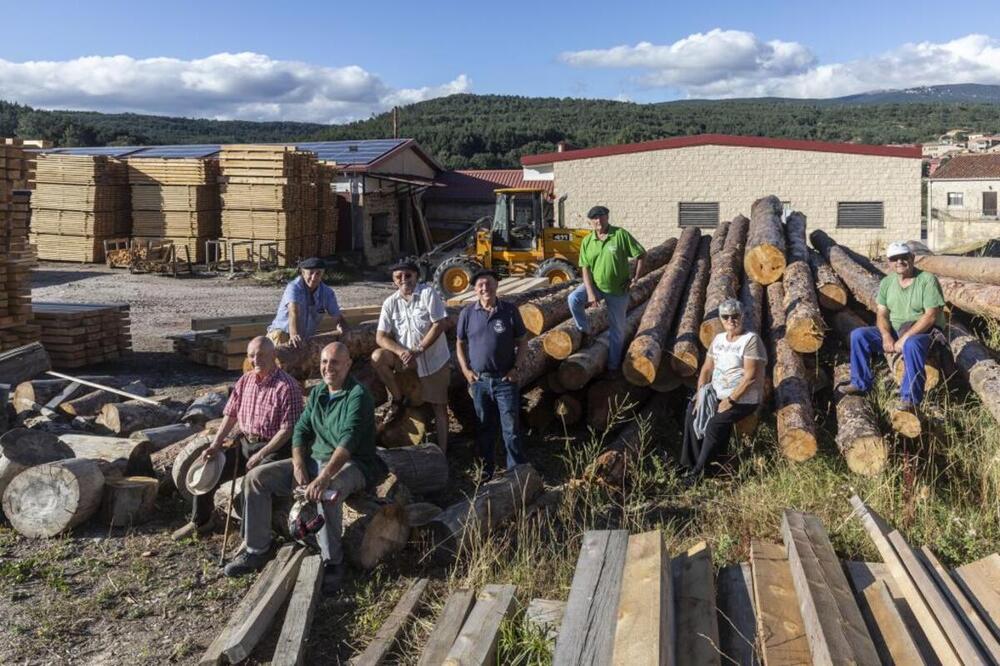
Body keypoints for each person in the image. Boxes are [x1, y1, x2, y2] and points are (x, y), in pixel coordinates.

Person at [224, 342, 386, 596]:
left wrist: (323, 477)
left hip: (353, 464)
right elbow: (300, 430)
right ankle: (257, 549)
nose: (328, 368)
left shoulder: (358, 396)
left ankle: (333, 562)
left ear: (348, 364)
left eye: (334, 362)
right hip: (314, 459)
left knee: (327, 491)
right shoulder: (320, 392)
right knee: (256, 478)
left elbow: (348, 443)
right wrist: (299, 463)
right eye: (324, 362)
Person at [172, 336, 303, 540]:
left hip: (274, 448)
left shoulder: (287, 387)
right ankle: (201, 522)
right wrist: (215, 445)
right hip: (245, 442)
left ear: (274, 355)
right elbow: (231, 414)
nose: (255, 360)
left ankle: (250, 539)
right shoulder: (245, 380)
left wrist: (261, 455)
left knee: (252, 486)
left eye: (261, 355)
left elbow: (287, 431)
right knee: (209, 465)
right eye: (251, 355)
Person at [844, 241, 946, 410]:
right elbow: (882, 313)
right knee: (859, 336)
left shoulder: (927, 280)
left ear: (912, 258)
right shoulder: (887, 283)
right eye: (894, 258)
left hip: (925, 332)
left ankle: (910, 399)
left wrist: (905, 338)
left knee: (912, 344)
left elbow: (930, 316)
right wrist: (886, 336)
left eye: (903, 257)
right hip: (897, 329)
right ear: (889, 262)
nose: (899, 262)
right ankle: (860, 383)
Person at [456, 269, 530, 481]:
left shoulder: (509, 311)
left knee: (510, 427)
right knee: (483, 426)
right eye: (480, 284)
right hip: (479, 381)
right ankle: (486, 470)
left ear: (496, 285)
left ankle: (516, 472)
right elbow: (460, 344)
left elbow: (523, 341)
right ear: (475, 289)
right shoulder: (467, 313)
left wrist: (516, 368)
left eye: (488, 283)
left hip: (505, 380)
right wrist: (465, 370)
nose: (484, 288)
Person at [372, 258, 452, 452]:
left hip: (432, 360)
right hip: (406, 360)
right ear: (393, 280)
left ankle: (442, 451)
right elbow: (380, 337)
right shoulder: (390, 303)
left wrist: (418, 349)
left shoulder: (428, 293)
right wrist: (401, 351)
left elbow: (439, 324)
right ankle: (398, 399)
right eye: (399, 276)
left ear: (417, 276)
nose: (404, 279)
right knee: (377, 357)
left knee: (439, 407)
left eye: (408, 275)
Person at [681, 299, 765, 479]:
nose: (730, 320)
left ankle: (701, 473)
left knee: (715, 424)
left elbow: (750, 377)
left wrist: (731, 400)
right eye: (725, 317)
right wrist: (700, 393)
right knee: (692, 412)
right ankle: (691, 463)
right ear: (721, 319)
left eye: (735, 316)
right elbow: (706, 368)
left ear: (742, 317)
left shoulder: (750, 340)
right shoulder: (718, 339)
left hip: (743, 398)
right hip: (716, 393)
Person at [568, 205, 646, 376]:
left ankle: (613, 367)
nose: (598, 221)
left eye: (602, 217)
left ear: (607, 217)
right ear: (590, 221)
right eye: (595, 218)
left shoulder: (620, 235)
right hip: (596, 285)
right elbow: (585, 270)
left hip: (618, 290)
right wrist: (589, 293)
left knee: (617, 330)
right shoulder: (588, 241)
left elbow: (641, 254)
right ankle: (586, 330)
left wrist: (636, 277)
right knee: (573, 299)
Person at [268, 257, 346, 348]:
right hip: (282, 335)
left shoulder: (327, 292)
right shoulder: (294, 287)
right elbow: (293, 311)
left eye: (318, 273)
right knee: (281, 338)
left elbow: (337, 315)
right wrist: (294, 335)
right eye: (311, 273)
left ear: (322, 274)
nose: (314, 278)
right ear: (303, 272)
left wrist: (344, 327)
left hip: (304, 338)